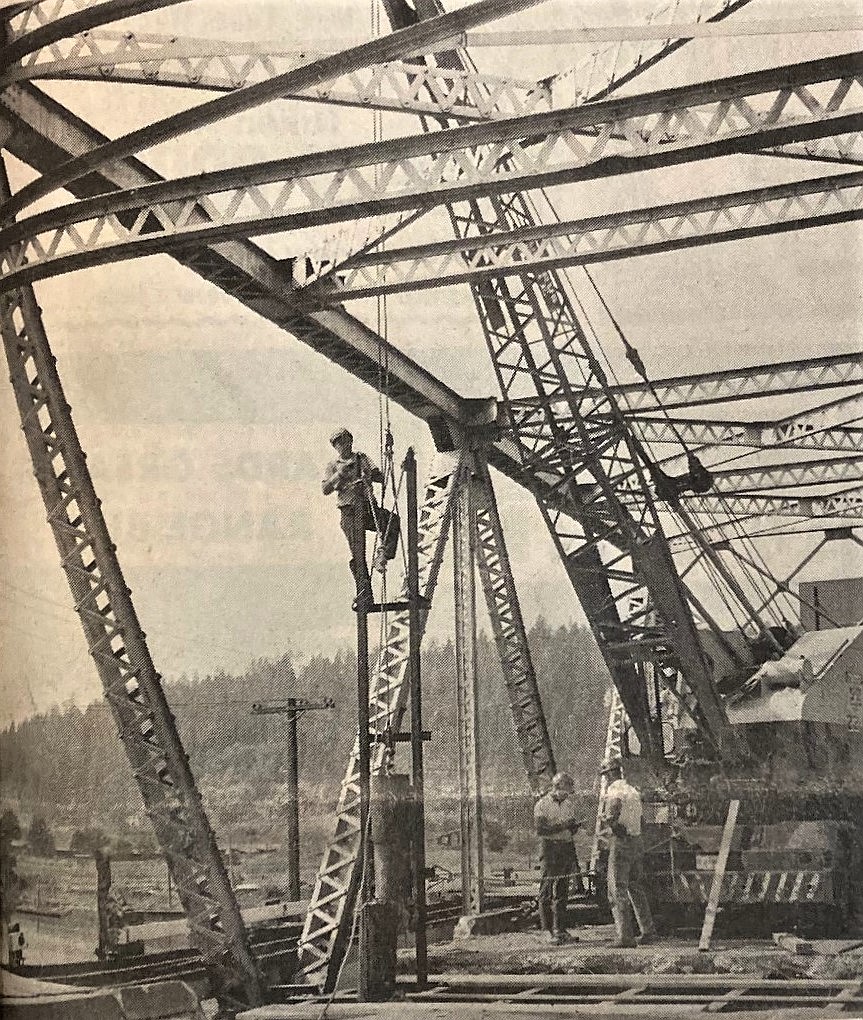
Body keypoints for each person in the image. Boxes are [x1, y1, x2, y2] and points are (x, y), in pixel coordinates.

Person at [322, 428, 399, 603]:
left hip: (366, 507)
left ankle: (384, 555)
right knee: (358, 554)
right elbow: (325, 489)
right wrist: (340, 475)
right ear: (335, 447)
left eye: (345, 441)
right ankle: (365, 593)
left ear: (350, 440)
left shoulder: (362, 458)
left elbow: (380, 477)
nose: (343, 445)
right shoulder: (333, 466)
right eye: (339, 443)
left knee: (391, 520)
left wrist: (370, 474)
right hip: (349, 511)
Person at [599, 757, 657, 948]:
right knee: (636, 887)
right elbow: (641, 821)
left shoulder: (614, 791)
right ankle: (647, 930)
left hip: (622, 842)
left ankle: (625, 936)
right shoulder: (632, 790)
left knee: (617, 890)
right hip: (637, 841)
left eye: (605, 775)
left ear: (609, 774)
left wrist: (607, 822)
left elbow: (612, 815)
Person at [533, 772, 582, 943]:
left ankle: (560, 929)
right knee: (547, 887)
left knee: (562, 889)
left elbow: (571, 826)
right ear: (558, 786)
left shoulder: (568, 804)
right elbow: (541, 829)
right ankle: (546, 930)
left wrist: (573, 827)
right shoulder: (542, 805)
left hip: (566, 846)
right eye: (567, 789)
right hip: (550, 848)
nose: (568, 793)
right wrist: (563, 826)